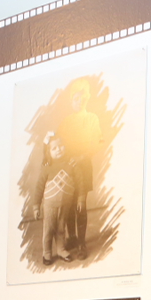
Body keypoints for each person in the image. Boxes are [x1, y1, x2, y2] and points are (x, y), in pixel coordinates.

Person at [59, 79, 100, 260]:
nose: (79, 101)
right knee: (68, 206)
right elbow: (59, 145)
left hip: (83, 167)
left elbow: (95, 145)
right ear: (71, 101)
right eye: (76, 98)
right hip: (68, 169)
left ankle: (82, 243)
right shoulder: (66, 122)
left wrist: (81, 158)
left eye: (82, 98)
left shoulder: (92, 119)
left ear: (87, 99)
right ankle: (72, 237)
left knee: (80, 206)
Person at [34, 132, 77, 265]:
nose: (58, 149)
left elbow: (77, 181)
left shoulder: (70, 164)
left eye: (61, 146)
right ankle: (47, 252)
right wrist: (36, 206)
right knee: (49, 229)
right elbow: (39, 188)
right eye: (54, 148)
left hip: (65, 204)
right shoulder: (47, 168)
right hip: (50, 205)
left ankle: (61, 249)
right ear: (48, 152)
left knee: (61, 228)